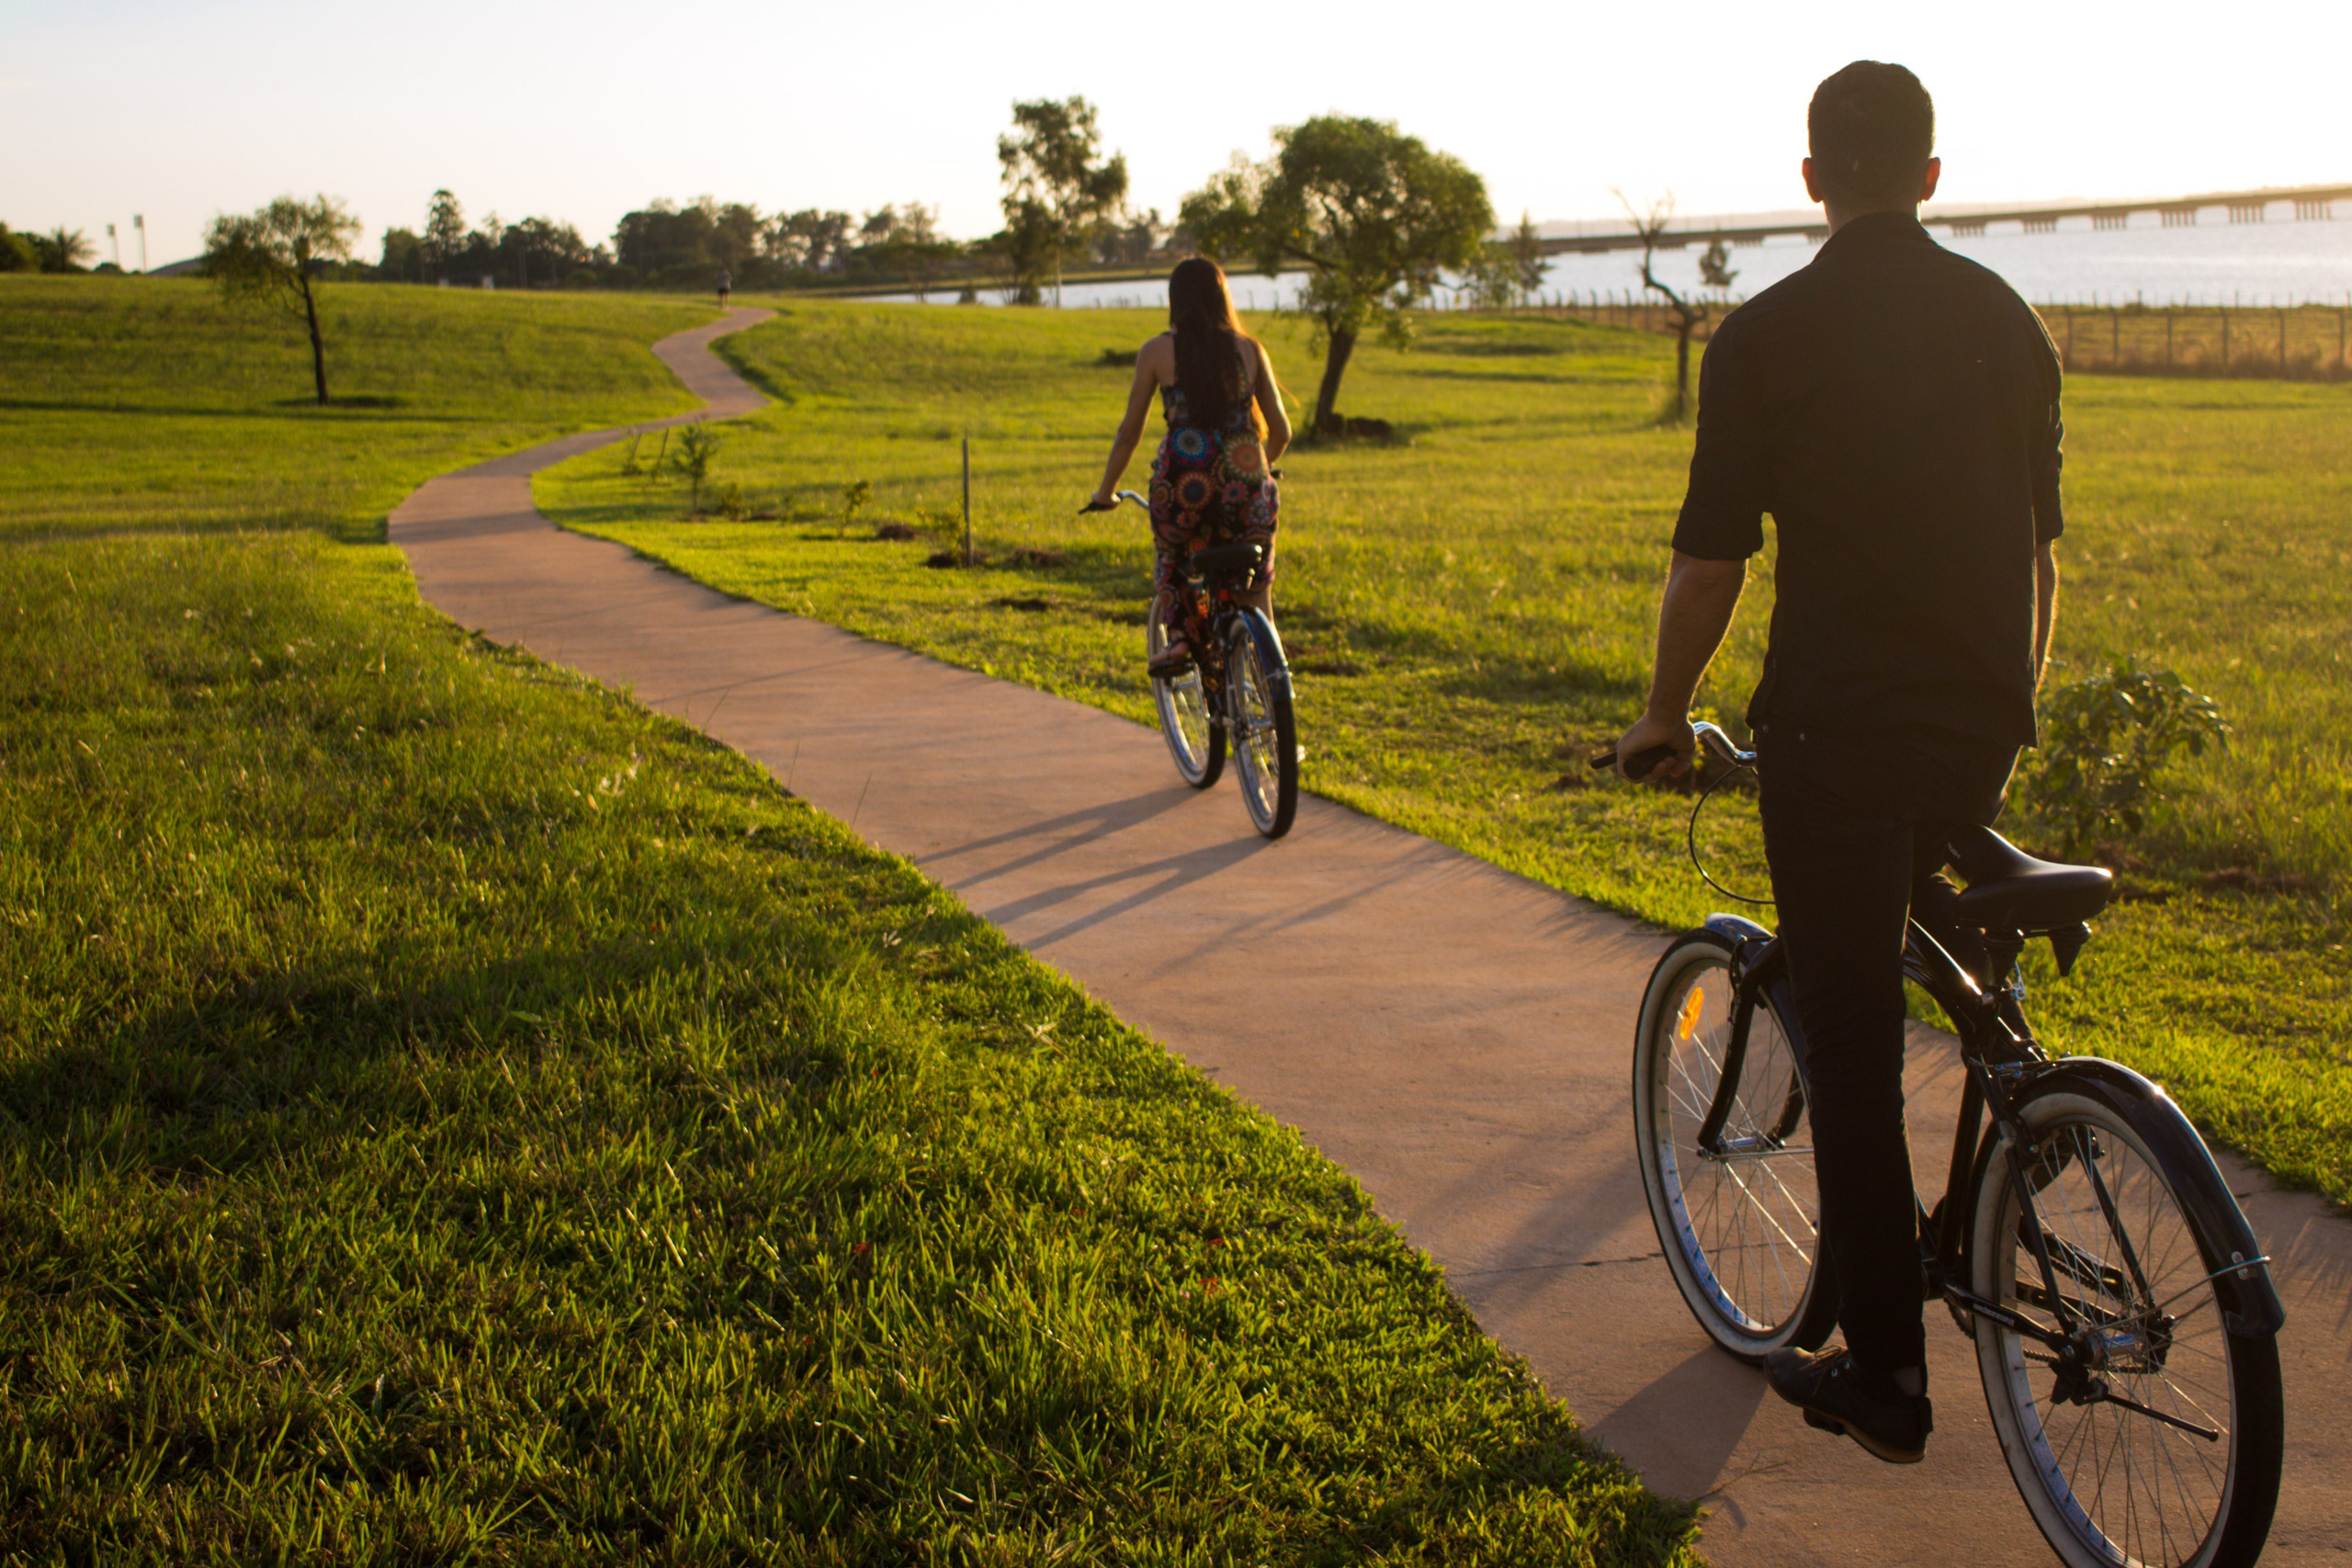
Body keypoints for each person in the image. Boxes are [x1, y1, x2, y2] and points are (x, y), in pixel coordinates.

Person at [1611, 61, 2064, 1464]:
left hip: (1835, 731)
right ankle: (1998, 1163)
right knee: (1925, 939)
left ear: (1812, 180)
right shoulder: (2006, 320)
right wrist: (2004, 711)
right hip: (1977, 720)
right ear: (1931, 176)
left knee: (1855, 1055)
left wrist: (1659, 711)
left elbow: (1711, 559)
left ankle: (1886, 1376)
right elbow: (2041, 558)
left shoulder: (1765, 338)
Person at [1088, 257, 1292, 676]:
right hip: (1248, 487)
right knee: (1257, 593)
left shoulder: (1157, 351)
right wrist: (1254, 468)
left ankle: (1180, 638)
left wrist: (1105, 492)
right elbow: (1281, 431)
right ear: (1221, 296)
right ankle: (1276, 699)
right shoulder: (1249, 349)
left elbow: (1129, 432)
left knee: (1174, 552)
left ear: (1174, 299)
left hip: (1184, 487)